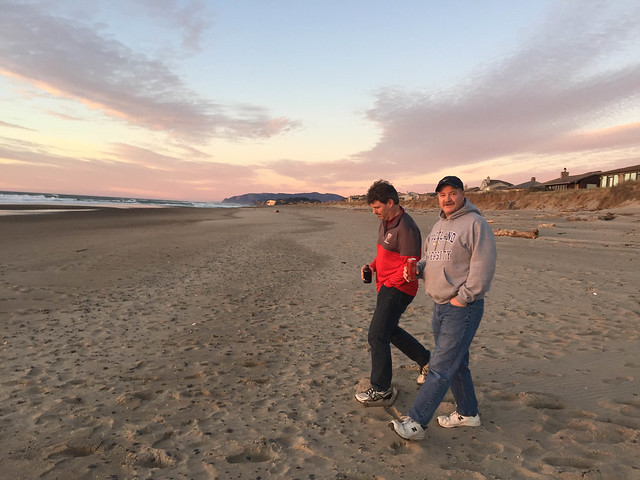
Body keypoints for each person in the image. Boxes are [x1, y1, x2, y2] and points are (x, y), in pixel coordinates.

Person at [389, 175, 496, 440]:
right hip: (439, 306)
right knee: (457, 364)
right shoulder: (438, 225)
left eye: (452, 193)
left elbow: (484, 266)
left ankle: (416, 422)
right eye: (441, 194)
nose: (447, 199)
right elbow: (429, 259)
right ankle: (468, 414)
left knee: (440, 366)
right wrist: (417, 271)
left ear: (463, 194)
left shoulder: (475, 224)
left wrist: (464, 297)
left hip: (462, 307)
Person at [355, 180, 431, 405]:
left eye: (377, 207)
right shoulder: (386, 222)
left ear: (391, 202)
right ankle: (426, 361)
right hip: (386, 286)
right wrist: (372, 266)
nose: (374, 212)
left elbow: (411, 266)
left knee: (377, 335)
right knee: (389, 330)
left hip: (399, 288)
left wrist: (389, 283)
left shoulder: (406, 227)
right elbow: (384, 255)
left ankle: (382, 390)